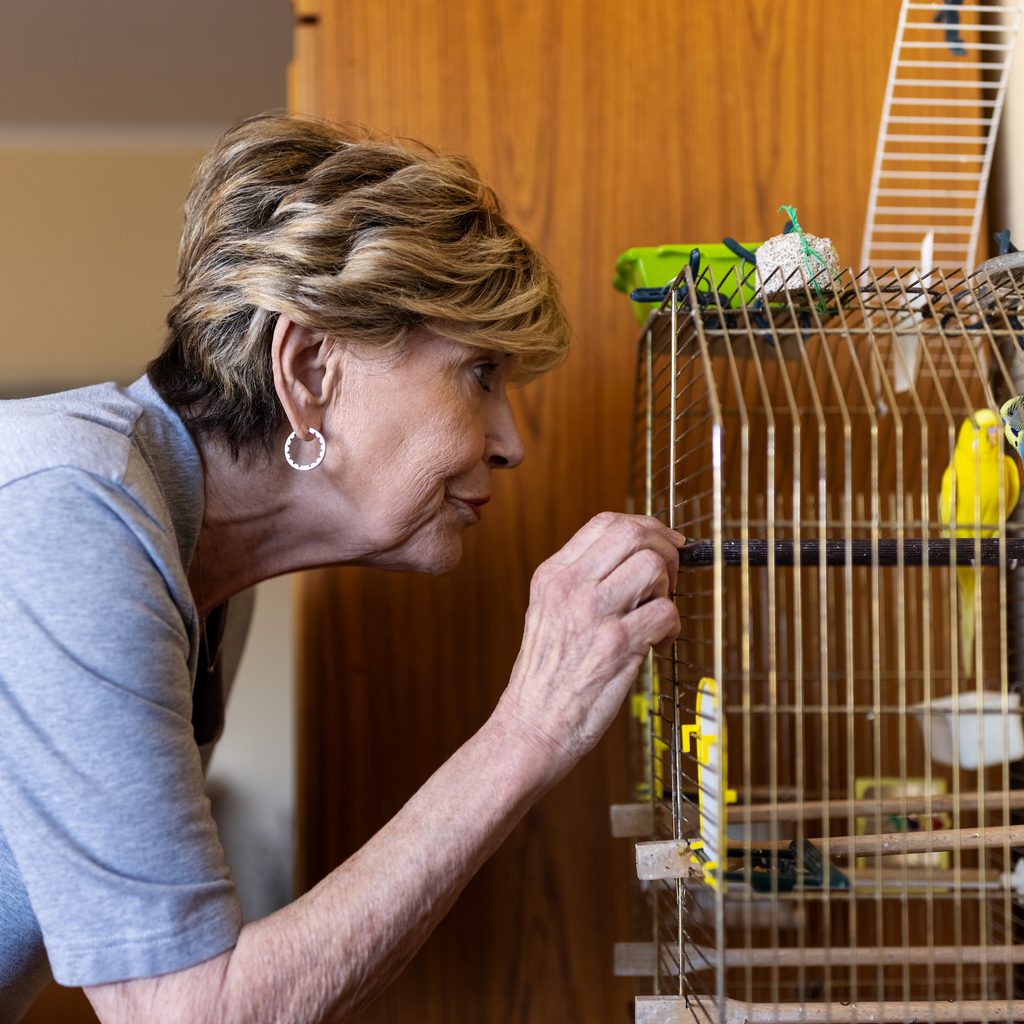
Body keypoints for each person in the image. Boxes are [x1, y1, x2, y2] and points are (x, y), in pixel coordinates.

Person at [0, 113, 682, 1023]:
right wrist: (530, 728)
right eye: (479, 374)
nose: (511, 443)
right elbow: (191, 1012)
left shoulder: (190, 564)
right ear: (310, 367)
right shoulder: (72, 504)